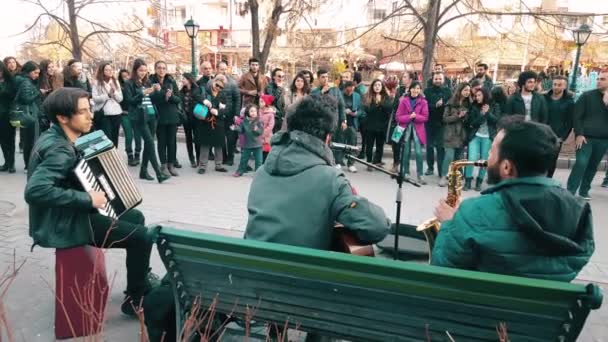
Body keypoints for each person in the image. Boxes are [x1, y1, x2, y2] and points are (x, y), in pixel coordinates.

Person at [24, 87, 158, 316]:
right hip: (65, 224)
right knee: (143, 237)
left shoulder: (55, 136)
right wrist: (87, 198)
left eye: (90, 109)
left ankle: (138, 282)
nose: (91, 116)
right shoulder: (60, 149)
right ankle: (137, 299)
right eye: (83, 112)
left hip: (67, 215)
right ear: (63, 117)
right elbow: (35, 191)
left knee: (135, 217)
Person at [431, 116, 594, 282]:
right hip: (544, 306)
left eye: (491, 151)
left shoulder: (472, 212)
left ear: (506, 167)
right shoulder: (579, 211)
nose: (487, 157)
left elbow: (442, 271)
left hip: (482, 305)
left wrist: (450, 224)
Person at [244, 93, 390, 250]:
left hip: (251, 266)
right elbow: (378, 227)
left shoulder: (261, 172)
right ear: (327, 138)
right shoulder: (330, 180)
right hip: (300, 271)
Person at [122, 59, 169, 183]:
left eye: (144, 70)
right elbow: (130, 101)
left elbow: (154, 100)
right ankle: (159, 173)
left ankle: (143, 171)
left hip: (152, 115)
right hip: (139, 116)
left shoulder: (147, 82)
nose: (143, 73)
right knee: (150, 142)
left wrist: (158, 91)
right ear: (135, 70)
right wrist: (142, 93)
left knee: (149, 143)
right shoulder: (129, 83)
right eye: (140, 70)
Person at [566, 70, 608, 200]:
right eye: (598, 79)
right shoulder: (587, 96)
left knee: (593, 166)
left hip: (603, 139)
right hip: (585, 138)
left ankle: (584, 191)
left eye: (602, 79)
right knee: (581, 163)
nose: (598, 81)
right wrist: (579, 134)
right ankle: (570, 191)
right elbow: (577, 116)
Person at [149, 61, 182, 177]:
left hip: (172, 116)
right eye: (159, 68)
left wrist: (171, 96)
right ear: (155, 69)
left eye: (163, 68)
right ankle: (163, 165)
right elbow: (151, 98)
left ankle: (171, 165)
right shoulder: (151, 82)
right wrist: (163, 94)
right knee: (161, 142)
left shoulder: (171, 81)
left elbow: (178, 99)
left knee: (172, 142)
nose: (161, 70)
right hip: (159, 117)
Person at [464, 88, 500, 191]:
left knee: (484, 160)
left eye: (479, 95)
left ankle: (479, 182)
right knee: (471, 159)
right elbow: (472, 123)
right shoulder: (474, 106)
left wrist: (488, 113)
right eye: (476, 96)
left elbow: (496, 120)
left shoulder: (495, 105)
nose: (477, 97)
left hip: (488, 137)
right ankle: (468, 181)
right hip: (475, 136)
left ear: (485, 95)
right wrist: (482, 115)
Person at [394, 81, 428, 183]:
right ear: (410, 89)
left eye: (418, 88)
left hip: (418, 129)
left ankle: (420, 174)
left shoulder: (423, 102)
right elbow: (398, 117)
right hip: (405, 128)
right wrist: (409, 116)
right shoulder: (404, 101)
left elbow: (425, 117)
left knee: (418, 152)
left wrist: (416, 116)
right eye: (414, 88)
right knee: (405, 152)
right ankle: (406, 173)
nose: (416, 90)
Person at [439, 82, 472, 187]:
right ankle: (443, 176)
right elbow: (445, 118)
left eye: (468, 90)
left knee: (459, 158)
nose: (467, 92)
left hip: (461, 134)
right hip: (450, 134)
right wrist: (458, 116)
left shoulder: (469, 104)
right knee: (449, 156)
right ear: (460, 90)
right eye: (465, 90)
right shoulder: (451, 102)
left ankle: (455, 177)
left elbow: (469, 121)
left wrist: (465, 117)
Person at [197, 75, 229, 174]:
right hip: (206, 121)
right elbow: (196, 96)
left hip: (218, 122)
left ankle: (218, 165)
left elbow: (228, 109)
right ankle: (202, 166)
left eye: (221, 87)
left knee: (219, 144)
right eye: (217, 85)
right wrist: (204, 100)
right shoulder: (205, 91)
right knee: (205, 144)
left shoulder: (223, 95)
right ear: (214, 82)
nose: (218, 88)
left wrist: (219, 111)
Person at [14, 61, 43, 169]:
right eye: (35, 73)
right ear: (29, 71)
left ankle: (28, 164)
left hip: (27, 114)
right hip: (30, 115)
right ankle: (29, 165)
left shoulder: (21, 79)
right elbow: (26, 99)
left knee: (28, 140)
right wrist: (38, 92)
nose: (37, 75)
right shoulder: (26, 82)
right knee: (31, 141)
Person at [544, 76, 574, 178]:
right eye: (554, 84)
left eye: (559, 85)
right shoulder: (544, 98)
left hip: (556, 137)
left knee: (552, 160)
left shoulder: (569, 102)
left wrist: (562, 137)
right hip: (541, 133)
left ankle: (548, 181)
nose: (556, 87)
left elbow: (569, 122)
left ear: (565, 86)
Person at [424, 72, 452, 176]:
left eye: (440, 79)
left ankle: (441, 171)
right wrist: (435, 105)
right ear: (432, 79)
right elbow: (424, 105)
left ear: (443, 80)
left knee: (440, 148)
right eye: (436, 79)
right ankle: (430, 168)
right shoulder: (427, 91)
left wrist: (443, 104)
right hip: (429, 123)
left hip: (442, 123)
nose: (438, 81)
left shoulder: (448, 91)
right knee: (429, 147)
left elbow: (450, 105)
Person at [214, 61, 241, 166]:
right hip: (218, 114)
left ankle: (230, 157)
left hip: (230, 115)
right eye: (221, 69)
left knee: (231, 137)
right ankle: (223, 157)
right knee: (220, 137)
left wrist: (236, 114)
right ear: (217, 69)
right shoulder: (212, 82)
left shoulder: (232, 83)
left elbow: (237, 99)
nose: (224, 71)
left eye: (225, 69)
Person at [386, 71, 414, 172]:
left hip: (410, 122)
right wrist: (397, 100)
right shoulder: (400, 89)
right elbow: (394, 106)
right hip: (399, 122)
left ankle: (405, 166)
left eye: (405, 77)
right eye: (403, 77)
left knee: (406, 144)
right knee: (395, 142)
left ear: (410, 79)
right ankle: (396, 163)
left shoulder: (415, 89)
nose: (403, 78)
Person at [361, 79, 391, 171]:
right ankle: (369, 162)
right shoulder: (367, 97)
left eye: (379, 85)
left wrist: (380, 102)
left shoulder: (386, 97)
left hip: (382, 126)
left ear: (382, 87)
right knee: (369, 145)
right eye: (375, 85)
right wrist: (377, 103)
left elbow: (389, 109)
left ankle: (377, 161)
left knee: (380, 146)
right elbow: (368, 110)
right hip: (370, 126)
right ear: (372, 87)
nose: (377, 87)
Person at [92, 62, 123, 148]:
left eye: (110, 69)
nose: (109, 71)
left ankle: (115, 158)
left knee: (114, 137)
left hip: (116, 113)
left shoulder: (115, 81)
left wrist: (114, 91)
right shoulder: (97, 82)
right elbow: (95, 99)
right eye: (107, 69)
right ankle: (106, 159)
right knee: (106, 138)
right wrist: (107, 95)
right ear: (102, 71)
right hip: (104, 114)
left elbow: (120, 99)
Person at [333, 81, 362, 173]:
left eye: (352, 90)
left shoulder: (357, 96)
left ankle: (351, 163)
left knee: (352, 143)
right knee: (339, 142)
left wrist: (356, 113)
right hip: (340, 122)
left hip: (352, 122)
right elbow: (335, 108)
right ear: (345, 89)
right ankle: (338, 161)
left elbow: (362, 110)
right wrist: (343, 112)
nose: (350, 92)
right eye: (348, 90)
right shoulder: (339, 95)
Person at [179, 72, 205, 168]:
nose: (182, 80)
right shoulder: (181, 91)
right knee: (188, 139)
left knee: (197, 139)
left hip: (196, 118)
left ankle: (199, 159)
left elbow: (200, 99)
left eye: (184, 79)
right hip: (186, 119)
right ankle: (192, 159)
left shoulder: (197, 89)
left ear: (189, 80)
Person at [118, 69, 141, 166]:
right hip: (125, 114)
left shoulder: (134, 85)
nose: (125, 78)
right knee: (129, 136)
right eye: (123, 76)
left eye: (127, 76)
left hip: (135, 114)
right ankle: (130, 156)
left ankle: (137, 155)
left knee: (137, 135)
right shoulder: (119, 88)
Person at [233, 104, 264, 177]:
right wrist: (236, 128)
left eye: (255, 111)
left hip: (258, 144)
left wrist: (256, 130)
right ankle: (239, 171)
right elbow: (242, 131)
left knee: (259, 161)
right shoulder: (244, 121)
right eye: (251, 111)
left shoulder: (259, 121)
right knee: (244, 159)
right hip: (247, 144)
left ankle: (258, 174)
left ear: (257, 112)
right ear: (248, 112)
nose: (253, 113)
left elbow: (261, 132)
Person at [0, 61, 16, 173]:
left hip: (7, 114)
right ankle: (6, 162)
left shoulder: (10, 81)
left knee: (9, 139)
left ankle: (11, 164)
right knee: (2, 140)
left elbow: (13, 96)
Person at [264, 68, 286, 133]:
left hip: (280, 117)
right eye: (279, 76)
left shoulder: (281, 87)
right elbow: (272, 100)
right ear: (274, 77)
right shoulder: (269, 87)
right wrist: (279, 88)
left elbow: (282, 103)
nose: (281, 79)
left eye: (282, 77)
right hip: (272, 116)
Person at [258, 94, 275, 162]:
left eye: (262, 101)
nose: (260, 103)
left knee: (266, 153)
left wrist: (263, 133)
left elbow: (270, 126)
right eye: (259, 101)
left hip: (267, 137)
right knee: (260, 153)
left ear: (266, 103)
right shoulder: (258, 112)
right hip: (258, 136)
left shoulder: (270, 114)